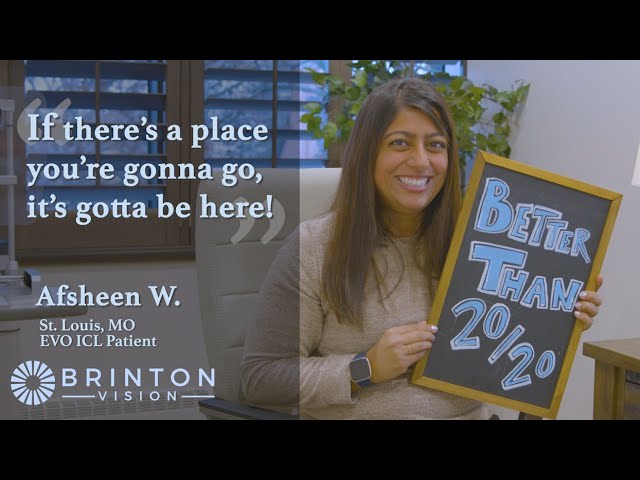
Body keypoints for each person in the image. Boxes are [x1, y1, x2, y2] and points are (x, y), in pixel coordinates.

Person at [240, 77, 603, 419]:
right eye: (399, 142)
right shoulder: (315, 246)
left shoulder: (483, 242)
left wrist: (554, 322)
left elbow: (511, 361)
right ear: (367, 154)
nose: (421, 161)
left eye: (436, 145)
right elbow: (261, 378)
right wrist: (365, 367)